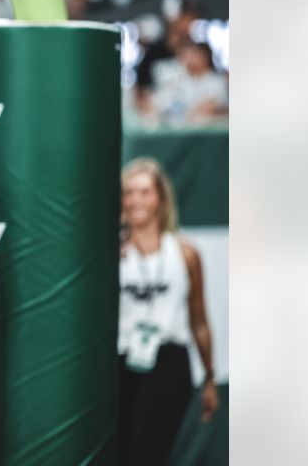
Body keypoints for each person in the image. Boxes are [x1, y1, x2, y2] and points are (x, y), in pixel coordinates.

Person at [117, 158, 218, 465]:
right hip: (121, 361)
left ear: (160, 197)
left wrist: (209, 378)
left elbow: (199, 319)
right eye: (130, 192)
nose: (136, 200)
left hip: (168, 359)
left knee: (152, 451)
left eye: (145, 192)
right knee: (121, 450)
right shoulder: (111, 252)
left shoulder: (185, 253)